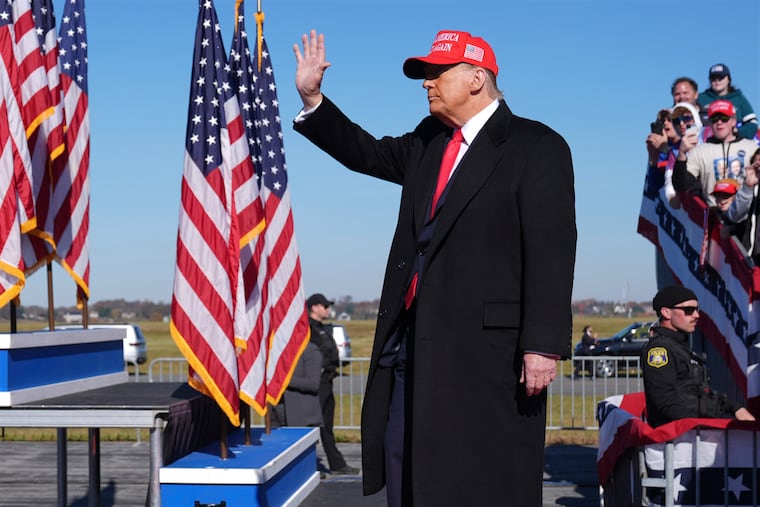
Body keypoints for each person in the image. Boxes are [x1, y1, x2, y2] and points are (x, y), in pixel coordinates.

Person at [293, 29, 576, 506]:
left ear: (477, 78)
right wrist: (314, 99)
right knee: (409, 465)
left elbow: (551, 250)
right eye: (425, 74)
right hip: (413, 342)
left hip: (492, 352)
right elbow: (368, 153)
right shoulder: (428, 141)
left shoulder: (536, 145)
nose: (427, 83)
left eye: (437, 72)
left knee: (483, 472)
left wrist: (542, 345)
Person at [641, 285, 755, 428]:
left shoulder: (679, 348)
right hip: (679, 440)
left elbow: (698, 393)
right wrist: (711, 422)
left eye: (697, 309)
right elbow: (666, 402)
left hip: (695, 434)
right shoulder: (659, 350)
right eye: (688, 310)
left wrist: (734, 407)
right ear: (666, 312)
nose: (696, 315)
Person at [306, 293, 358, 476]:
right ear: (315, 308)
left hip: (327, 382)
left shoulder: (322, 328)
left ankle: (336, 464)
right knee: (311, 428)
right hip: (316, 384)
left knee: (327, 427)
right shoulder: (308, 329)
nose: (328, 309)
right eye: (325, 306)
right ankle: (307, 467)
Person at [672, 100, 759, 207]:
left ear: (733, 120)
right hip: (714, 216)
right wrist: (681, 154)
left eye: (724, 118)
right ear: (709, 122)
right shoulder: (700, 151)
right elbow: (681, 185)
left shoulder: (751, 147)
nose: (719, 122)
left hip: (746, 215)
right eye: (714, 119)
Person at [270, 338, 323, 429]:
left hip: (303, 420)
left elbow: (313, 384)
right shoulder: (276, 350)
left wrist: (285, 380)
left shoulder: (310, 350)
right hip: (277, 416)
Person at [697, 63, 759, 140]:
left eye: (720, 77)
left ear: (728, 79)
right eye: (713, 78)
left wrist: (737, 132)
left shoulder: (739, 99)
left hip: (735, 142)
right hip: (707, 143)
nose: (717, 81)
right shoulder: (701, 98)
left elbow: (753, 123)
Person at [726, 148, 760, 258]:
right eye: (757, 166)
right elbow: (734, 216)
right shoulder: (749, 189)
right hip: (751, 258)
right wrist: (748, 187)